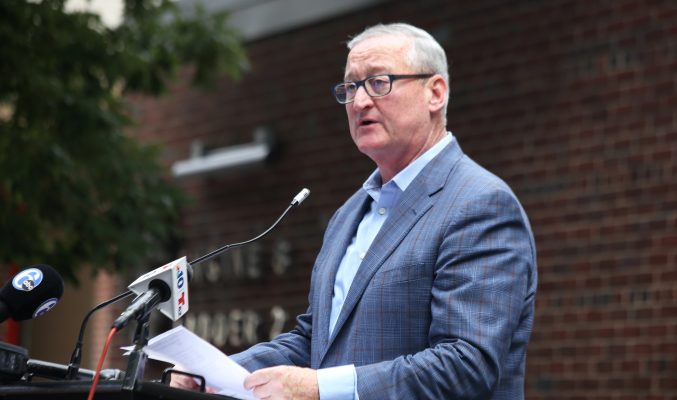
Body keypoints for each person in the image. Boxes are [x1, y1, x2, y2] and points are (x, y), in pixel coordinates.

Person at [172, 22, 537, 399]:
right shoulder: (349, 214)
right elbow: (315, 342)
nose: (360, 101)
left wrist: (318, 388)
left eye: (379, 82)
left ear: (435, 92)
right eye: (351, 87)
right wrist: (212, 373)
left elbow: (466, 367)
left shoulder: (479, 204)